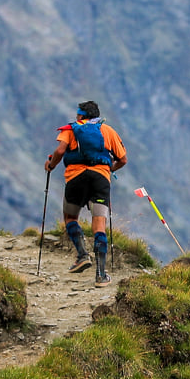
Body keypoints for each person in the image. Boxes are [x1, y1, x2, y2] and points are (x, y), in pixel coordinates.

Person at [44, 100, 127, 286]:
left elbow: (59, 151)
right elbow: (123, 159)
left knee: (70, 218)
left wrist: (51, 165)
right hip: (100, 180)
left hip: (76, 179)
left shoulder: (71, 129)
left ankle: (82, 255)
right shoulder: (108, 131)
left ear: (81, 115)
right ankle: (100, 275)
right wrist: (108, 169)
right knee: (99, 225)